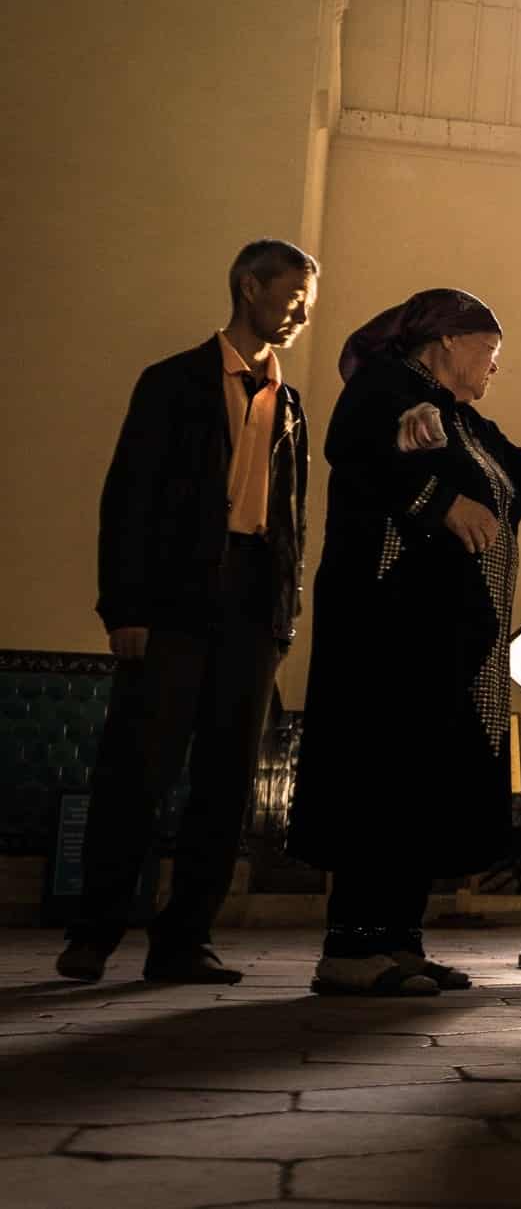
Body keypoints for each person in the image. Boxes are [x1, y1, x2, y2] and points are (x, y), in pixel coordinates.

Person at [58, 240, 319, 984]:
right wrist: (125, 609)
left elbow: (291, 520)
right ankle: (94, 932)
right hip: (172, 601)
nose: (301, 310)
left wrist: (284, 615)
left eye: (309, 297)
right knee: (137, 770)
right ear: (249, 285)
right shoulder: (173, 383)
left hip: (252, 609)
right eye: (293, 293)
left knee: (226, 782)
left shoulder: (290, 405)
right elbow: (128, 499)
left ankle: (184, 942)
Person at [287, 290, 521, 997]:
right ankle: (351, 948)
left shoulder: (465, 423)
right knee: (381, 773)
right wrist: (440, 503)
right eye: (488, 353)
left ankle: (398, 944)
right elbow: (353, 448)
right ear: (444, 343)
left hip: (442, 639)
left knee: (419, 783)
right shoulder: (386, 386)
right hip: (389, 626)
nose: (494, 368)